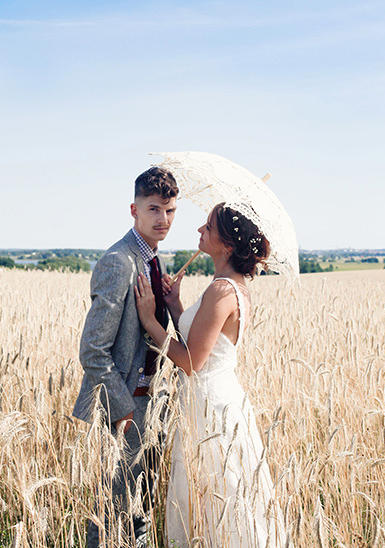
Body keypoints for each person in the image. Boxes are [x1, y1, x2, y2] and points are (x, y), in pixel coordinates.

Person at [135, 202, 287, 548]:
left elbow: (191, 362)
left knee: (214, 493)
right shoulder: (229, 287)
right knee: (221, 494)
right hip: (219, 398)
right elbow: (200, 339)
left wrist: (149, 321)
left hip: (210, 408)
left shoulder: (221, 291)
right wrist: (175, 305)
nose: (199, 231)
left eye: (208, 227)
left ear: (227, 245)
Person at [72, 166, 179, 548]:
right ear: (133, 210)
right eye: (153, 209)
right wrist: (124, 409)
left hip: (152, 404)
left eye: (169, 211)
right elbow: (93, 350)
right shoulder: (119, 261)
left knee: (140, 513)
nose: (163, 219)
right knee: (109, 516)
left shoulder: (154, 259)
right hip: (123, 410)